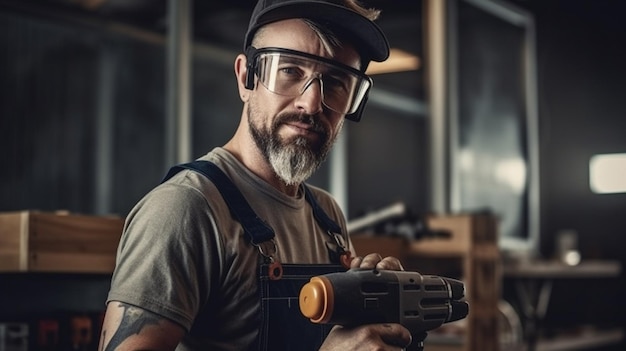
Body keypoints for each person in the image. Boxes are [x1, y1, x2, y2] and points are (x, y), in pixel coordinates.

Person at [98, 0, 413, 350]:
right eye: (291, 70)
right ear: (246, 77)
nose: (311, 105)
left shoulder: (327, 218)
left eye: (336, 81)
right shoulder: (186, 210)